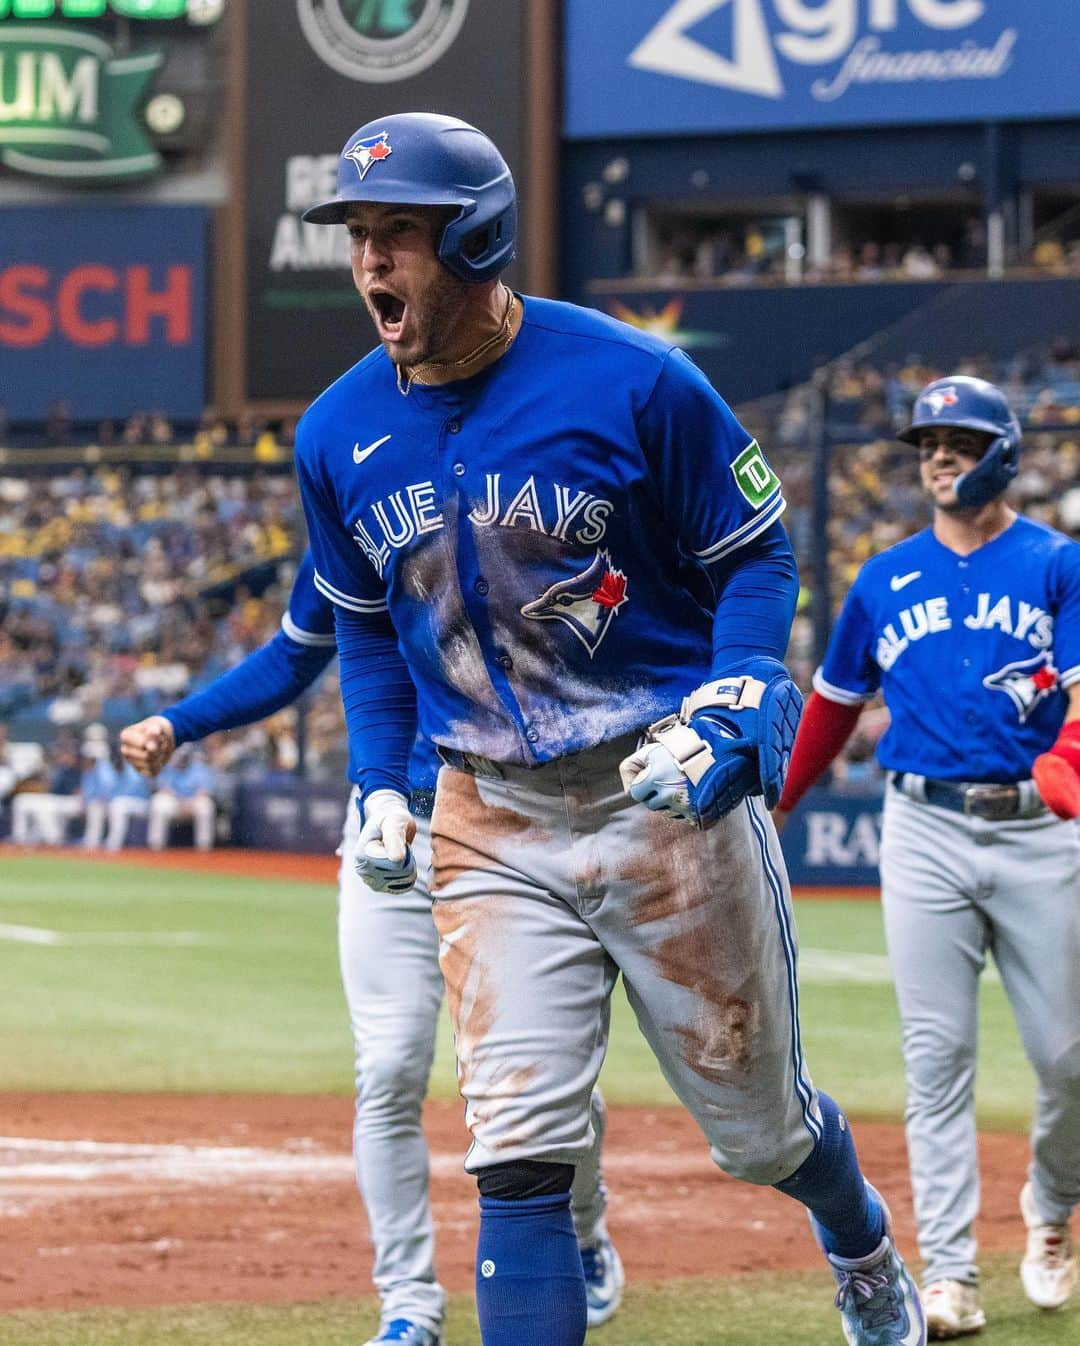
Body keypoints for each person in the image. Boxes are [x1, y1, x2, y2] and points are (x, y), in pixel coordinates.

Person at [293, 111, 925, 1346]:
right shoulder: (334, 431)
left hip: (661, 794)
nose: (371, 263)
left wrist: (740, 683)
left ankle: (856, 1240)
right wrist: (380, 776)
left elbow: (755, 551)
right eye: (359, 235)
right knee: (517, 1150)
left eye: (398, 235)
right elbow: (365, 626)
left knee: (760, 1130)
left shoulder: (633, 377)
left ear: (474, 238)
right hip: (485, 813)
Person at [119, 549, 622, 1346]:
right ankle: (409, 1305)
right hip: (393, 826)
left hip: (508, 828)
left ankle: (585, 1233)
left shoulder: (517, 502)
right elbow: (294, 654)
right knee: (387, 1068)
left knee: (544, 1083)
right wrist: (178, 723)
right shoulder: (362, 512)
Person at [774, 375, 1080, 1339]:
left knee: (1069, 1059)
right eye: (926, 442)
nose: (937, 454)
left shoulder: (1055, 564)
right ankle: (949, 1275)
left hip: (1037, 828)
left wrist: (1069, 761)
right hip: (924, 831)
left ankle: (1051, 1203)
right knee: (936, 1058)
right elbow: (832, 702)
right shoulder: (884, 576)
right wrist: (773, 798)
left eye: (956, 438)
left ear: (1001, 452)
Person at [146, 744, 218, 851]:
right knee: (158, 802)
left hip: (193, 803)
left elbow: (205, 791)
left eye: (185, 756)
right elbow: (163, 788)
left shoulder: (200, 768)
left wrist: (190, 802)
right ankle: (155, 847)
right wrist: (180, 802)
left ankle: (204, 848)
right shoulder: (167, 767)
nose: (182, 758)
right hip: (175, 803)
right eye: (180, 755)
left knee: (206, 805)